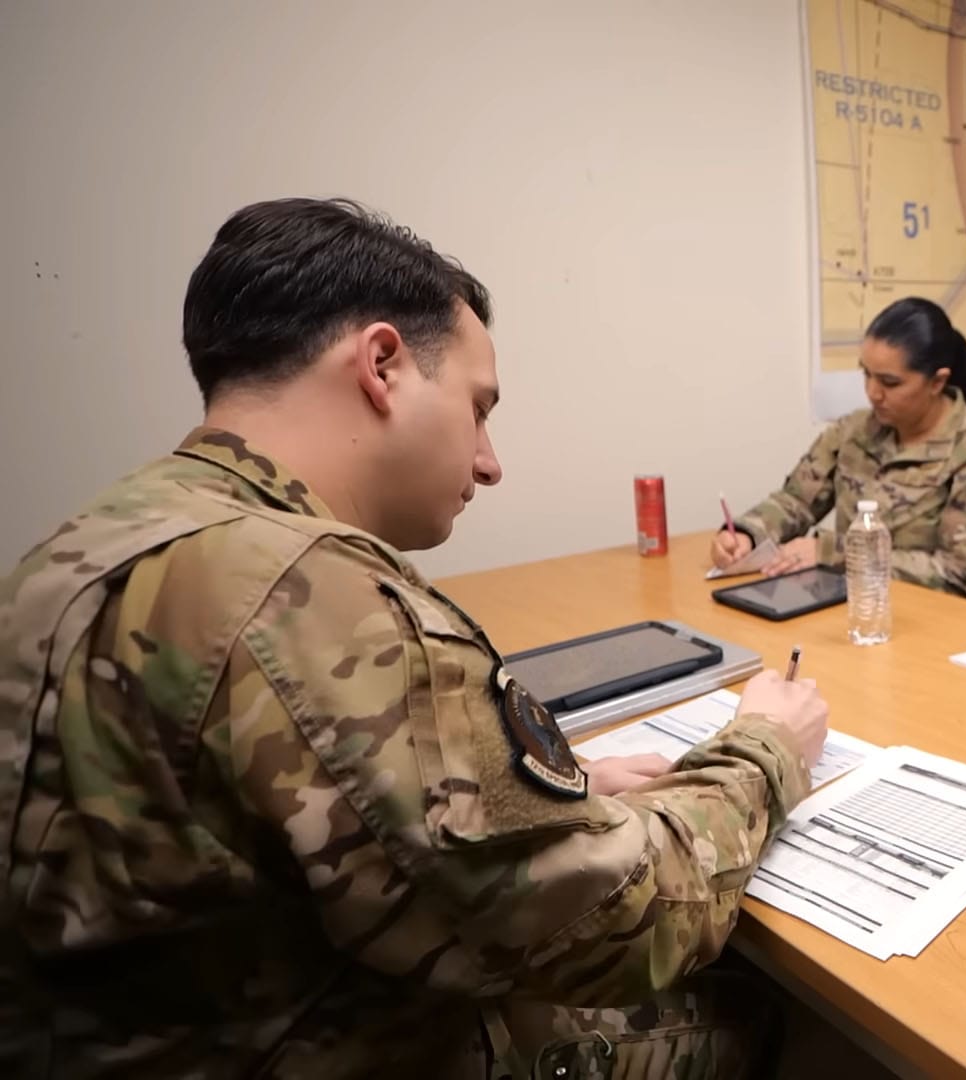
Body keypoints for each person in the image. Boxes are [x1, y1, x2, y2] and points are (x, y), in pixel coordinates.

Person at [0, 198, 830, 1078]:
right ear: (384, 364)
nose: (488, 460)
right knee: (755, 1006)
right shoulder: (310, 594)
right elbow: (621, 925)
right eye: (478, 409)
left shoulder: (87, 543)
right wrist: (764, 750)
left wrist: (563, 795)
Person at [711, 297, 966, 607]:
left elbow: (959, 573)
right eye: (866, 375)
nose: (873, 393)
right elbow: (796, 500)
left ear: (937, 382)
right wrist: (745, 536)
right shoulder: (854, 430)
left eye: (889, 382)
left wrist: (832, 553)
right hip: (865, 606)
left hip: (959, 622)